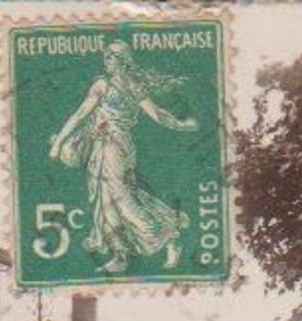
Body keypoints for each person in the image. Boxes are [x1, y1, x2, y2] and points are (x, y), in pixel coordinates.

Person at [47, 41, 198, 272]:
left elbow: (156, 114)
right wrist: (182, 125)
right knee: (108, 199)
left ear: (121, 61)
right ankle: (120, 255)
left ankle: (167, 236)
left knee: (120, 198)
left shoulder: (110, 85)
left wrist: (181, 125)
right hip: (107, 147)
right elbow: (80, 115)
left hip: (114, 147)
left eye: (110, 57)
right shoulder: (116, 85)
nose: (105, 60)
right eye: (105, 56)